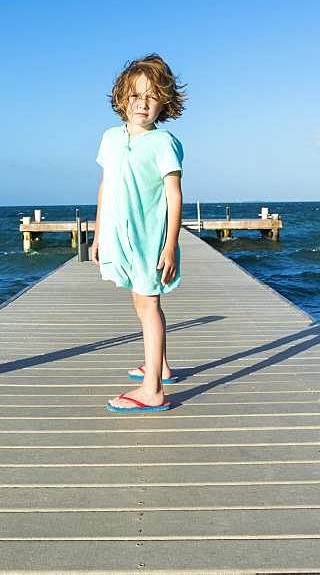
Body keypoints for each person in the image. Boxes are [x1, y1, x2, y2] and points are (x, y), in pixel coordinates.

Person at [90, 54, 186, 413]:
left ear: (164, 101)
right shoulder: (111, 138)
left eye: (150, 96)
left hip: (149, 237)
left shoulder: (164, 143)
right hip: (119, 234)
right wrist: (99, 234)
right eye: (134, 96)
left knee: (149, 304)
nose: (141, 104)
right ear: (121, 98)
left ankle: (153, 390)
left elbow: (174, 195)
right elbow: (106, 185)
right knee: (139, 300)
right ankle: (158, 364)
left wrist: (171, 245)